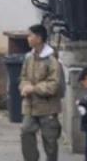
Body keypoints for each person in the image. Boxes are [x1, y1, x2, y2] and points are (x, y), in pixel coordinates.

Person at [20, 23, 62, 161]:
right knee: (25, 132)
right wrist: (24, 87)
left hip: (48, 107)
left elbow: (54, 85)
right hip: (30, 106)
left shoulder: (52, 59)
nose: (28, 38)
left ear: (39, 38)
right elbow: (23, 77)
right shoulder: (28, 57)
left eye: (30, 35)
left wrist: (34, 88)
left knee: (50, 141)